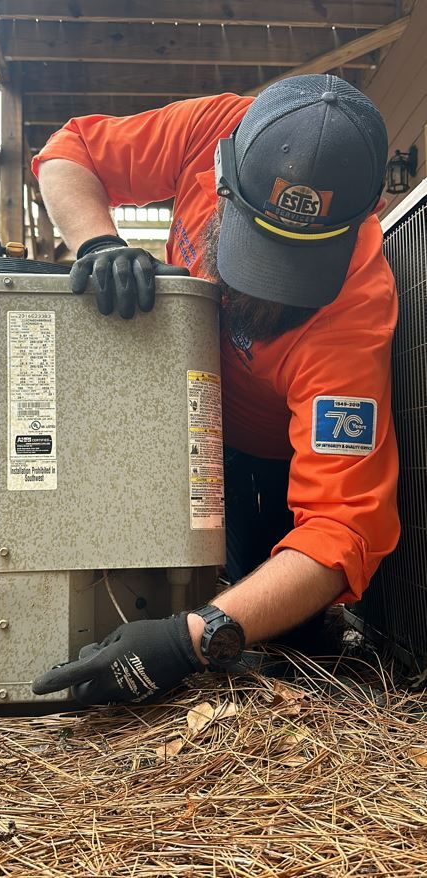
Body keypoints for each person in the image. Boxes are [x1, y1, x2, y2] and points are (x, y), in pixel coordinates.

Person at [31, 74, 400, 705]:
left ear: (354, 229)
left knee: (289, 635)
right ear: (223, 176)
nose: (264, 293)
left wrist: (191, 638)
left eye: (295, 272)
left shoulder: (354, 314)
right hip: (161, 412)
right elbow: (71, 153)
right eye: (257, 253)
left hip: (262, 460)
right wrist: (99, 242)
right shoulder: (210, 130)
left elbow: (340, 528)